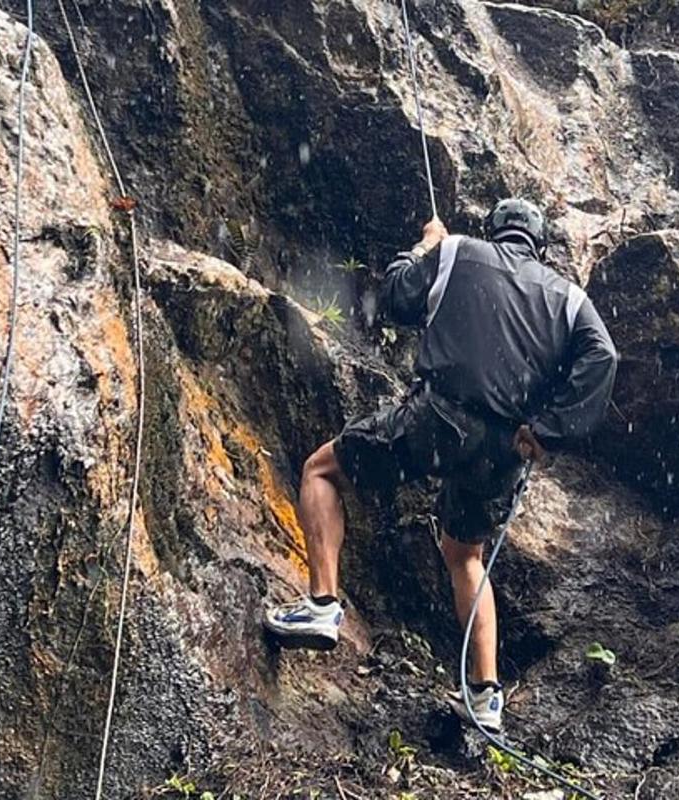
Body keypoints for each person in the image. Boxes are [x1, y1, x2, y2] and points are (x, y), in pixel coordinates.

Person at [263, 198, 618, 732]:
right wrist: (549, 429)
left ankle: (321, 603)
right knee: (465, 555)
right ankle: (484, 696)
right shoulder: (568, 300)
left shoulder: (458, 251)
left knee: (321, 470)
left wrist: (427, 247)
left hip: (441, 419)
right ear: (540, 248)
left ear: (494, 232)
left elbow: (397, 298)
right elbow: (604, 357)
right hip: (503, 450)